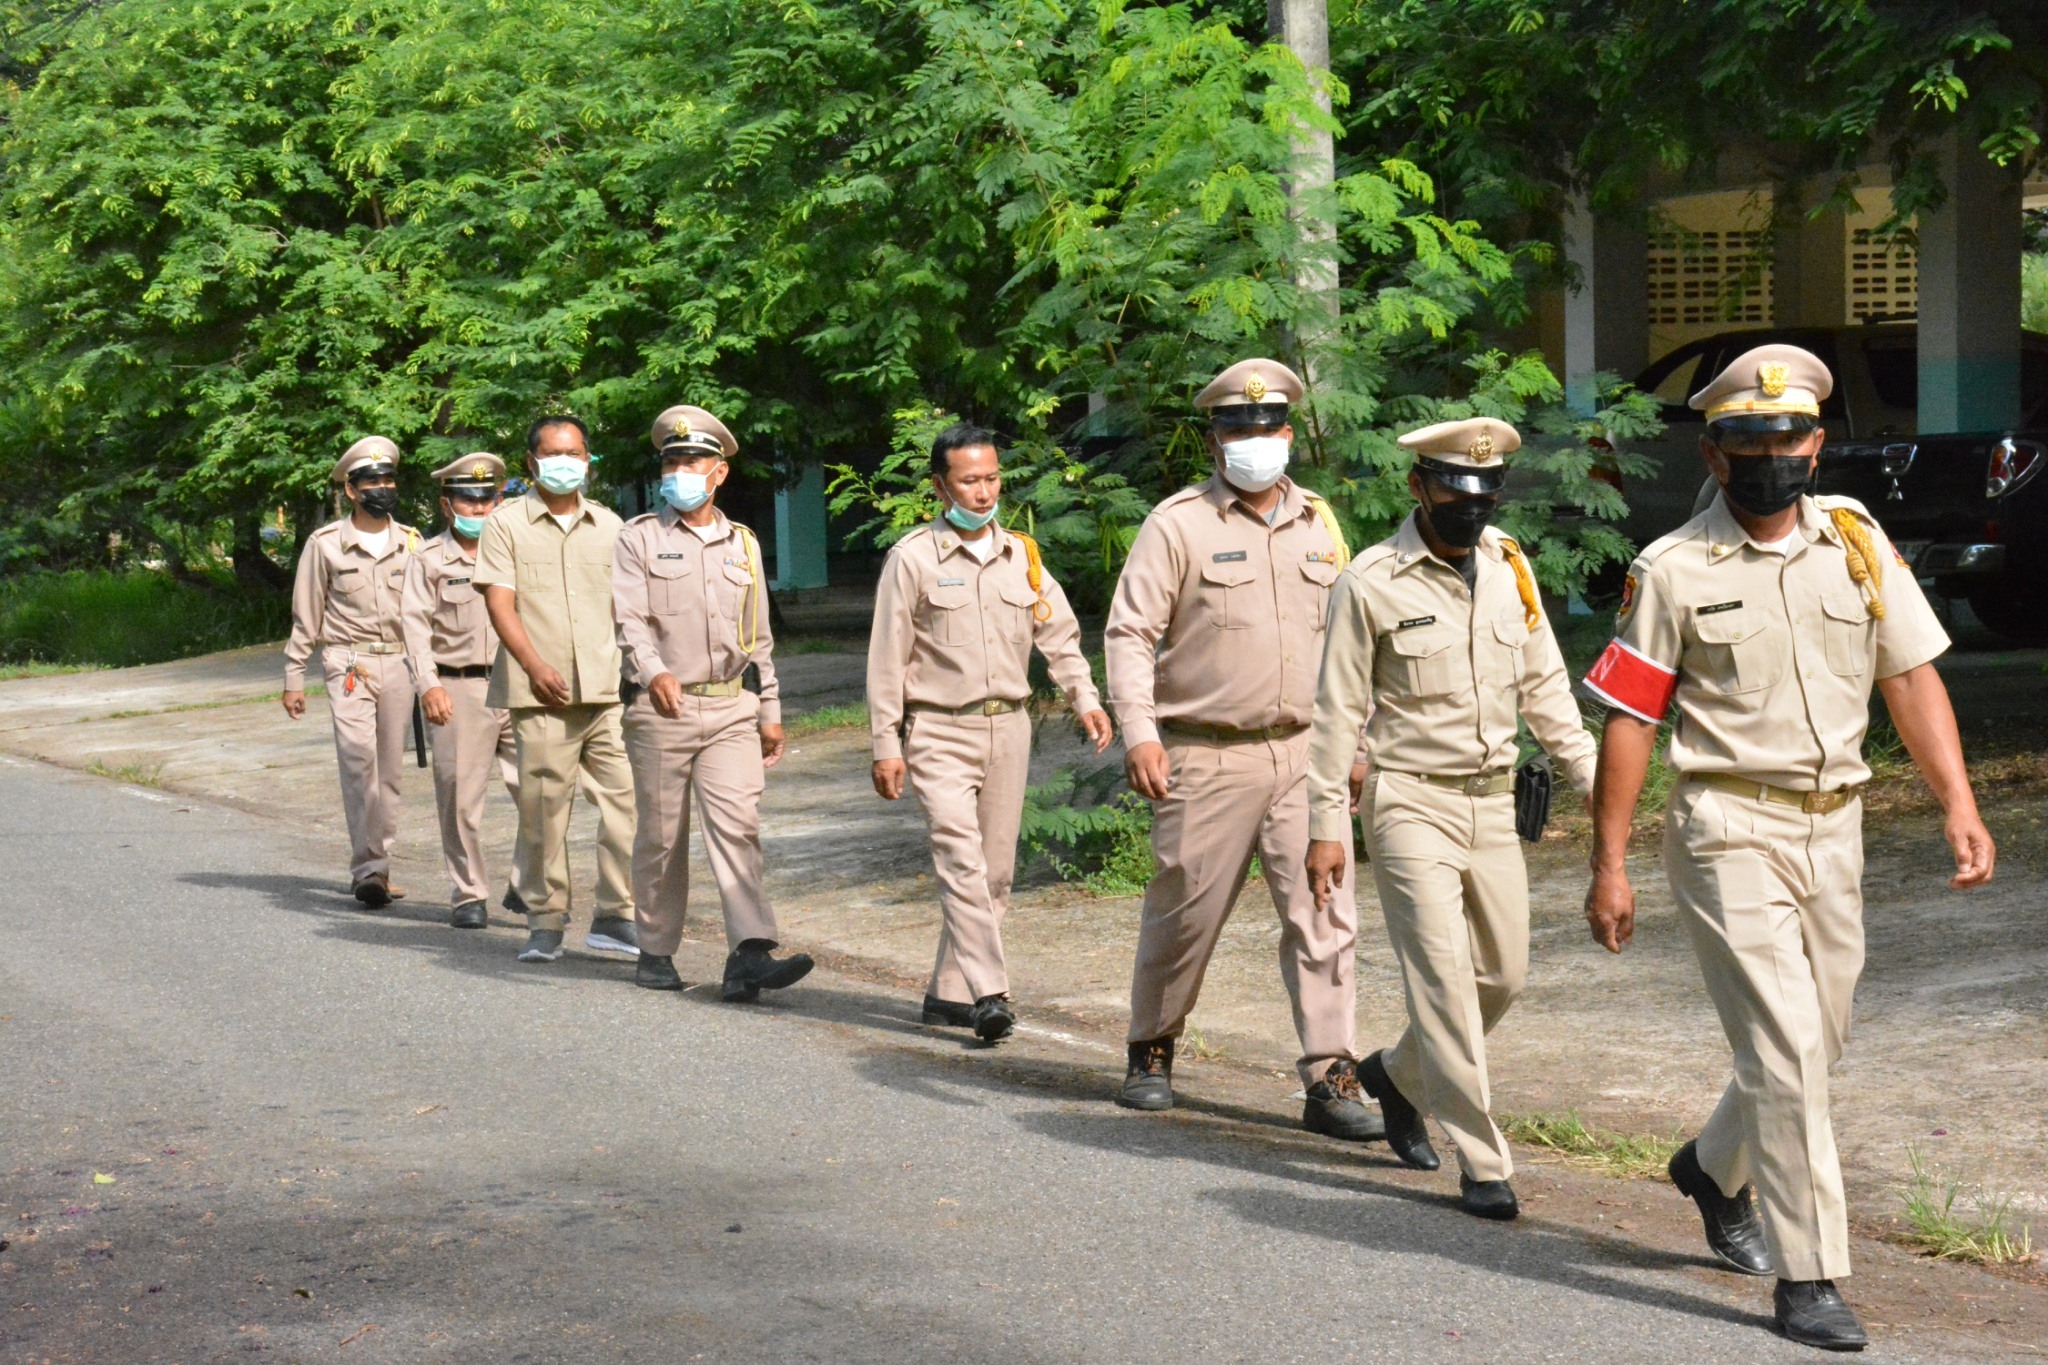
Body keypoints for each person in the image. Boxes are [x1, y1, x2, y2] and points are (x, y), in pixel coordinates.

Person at [1580, 344, 1995, 1350]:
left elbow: (1909, 675)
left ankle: (1710, 1166)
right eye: (1749, 443)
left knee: (1821, 1036)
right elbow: (1630, 720)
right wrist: (1609, 862)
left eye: (1789, 439)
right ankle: (1808, 1275)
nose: (1772, 458)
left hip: (1834, 825)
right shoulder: (1672, 569)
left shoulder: (1853, 540)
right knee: (1784, 1049)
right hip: (1727, 828)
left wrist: (1958, 801)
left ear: (1815, 445)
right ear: (1714, 455)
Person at [1303, 417, 1597, 1220]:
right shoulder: (1370, 581)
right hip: (1409, 801)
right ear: (1419, 487)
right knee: (1442, 980)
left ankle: (1398, 1074)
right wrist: (1326, 823)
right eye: (1454, 490)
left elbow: (1545, 685)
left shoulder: (1509, 566)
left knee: (1503, 975)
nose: (1471, 506)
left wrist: (1593, 776)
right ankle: (1483, 1159)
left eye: (1485, 492)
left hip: (1493, 802)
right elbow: (1336, 713)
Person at [1102, 358, 1377, 1138]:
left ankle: (1331, 1074)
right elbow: (1129, 633)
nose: (1255, 439)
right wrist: (1140, 732)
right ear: (1214, 440)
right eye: (1238, 428)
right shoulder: (1177, 524)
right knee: (1184, 911)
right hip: (1206, 753)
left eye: (1268, 427)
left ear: (1288, 434)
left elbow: (1353, 645)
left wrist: (1359, 742)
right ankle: (1152, 1046)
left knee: (1326, 913)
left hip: (1308, 754)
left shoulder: (1321, 523)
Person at [866, 423, 1114, 1042]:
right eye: (969, 480)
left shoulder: (1022, 556)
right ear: (940, 486)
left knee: (996, 873)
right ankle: (989, 994)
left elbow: (1059, 635)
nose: (983, 492)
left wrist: (1085, 698)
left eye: (992, 478)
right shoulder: (913, 558)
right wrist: (885, 744)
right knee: (960, 861)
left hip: (1008, 730)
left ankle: (949, 992)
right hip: (938, 731)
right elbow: (886, 659)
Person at [612, 405, 815, 1002]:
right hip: (662, 711)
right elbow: (628, 620)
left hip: (731, 708)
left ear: (719, 472)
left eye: (693, 461)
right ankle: (655, 948)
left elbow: (758, 638)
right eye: (672, 461)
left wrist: (770, 709)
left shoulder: (743, 543)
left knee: (739, 827)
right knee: (661, 836)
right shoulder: (638, 538)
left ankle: (749, 953)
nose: (681, 471)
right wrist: (653, 672)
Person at [474, 414, 640, 965]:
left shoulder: (611, 525)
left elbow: (626, 607)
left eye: (573, 453)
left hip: (605, 691)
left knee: (625, 803)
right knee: (544, 811)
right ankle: (545, 920)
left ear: (588, 460)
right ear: (531, 463)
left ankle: (616, 914)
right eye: (551, 454)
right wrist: (534, 665)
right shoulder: (506, 525)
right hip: (540, 692)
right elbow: (500, 603)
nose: (563, 463)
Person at [282, 436, 420, 907]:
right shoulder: (325, 545)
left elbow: (428, 613)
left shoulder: (412, 542)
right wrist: (294, 677)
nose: (382, 488)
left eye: (388, 480)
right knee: (359, 762)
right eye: (371, 482)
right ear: (351, 490)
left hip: (400, 661)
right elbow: (306, 614)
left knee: (390, 771)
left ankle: (381, 859)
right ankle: (370, 870)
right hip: (350, 663)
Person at [400, 452, 530, 929]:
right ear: (447, 505)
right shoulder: (429, 560)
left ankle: (527, 881)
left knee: (541, 792)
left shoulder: (519, 550)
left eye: (487, 500)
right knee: (460, 800)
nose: (478, 510)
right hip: (459, 689)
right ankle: (469, 893)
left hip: (520, 686)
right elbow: (414, 628)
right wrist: (428, 685)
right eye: (467, 501)